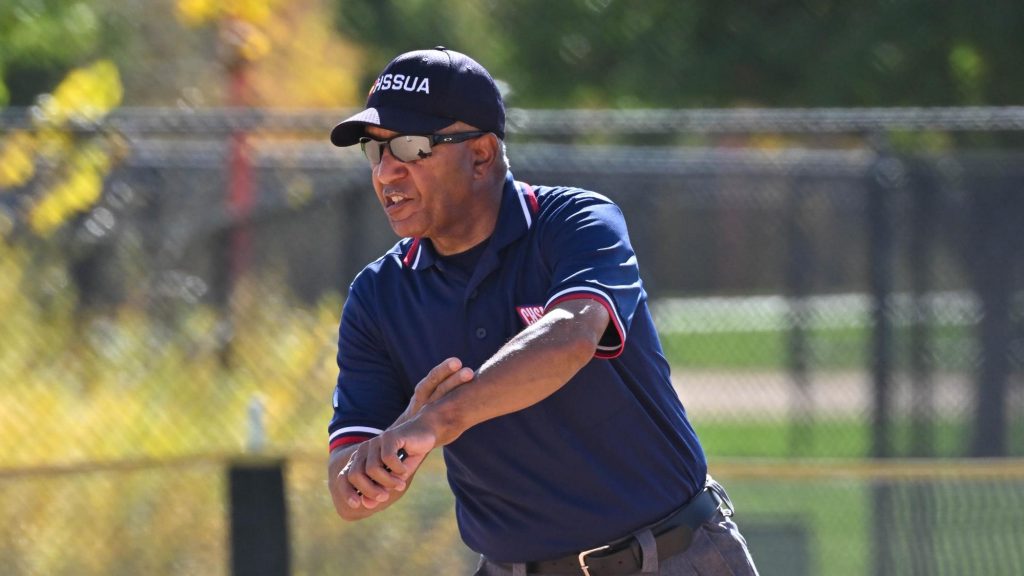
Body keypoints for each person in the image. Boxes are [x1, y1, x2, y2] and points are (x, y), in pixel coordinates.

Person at [326, 46, 759, 576]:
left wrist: (437, 419)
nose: (386, 173)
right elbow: (346, 490)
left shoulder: (575, 223)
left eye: (411, 147)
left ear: (482, 154)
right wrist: (390, 451)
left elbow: (571, 337)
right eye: (375, 151)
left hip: (670, 556)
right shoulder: (377, 296)